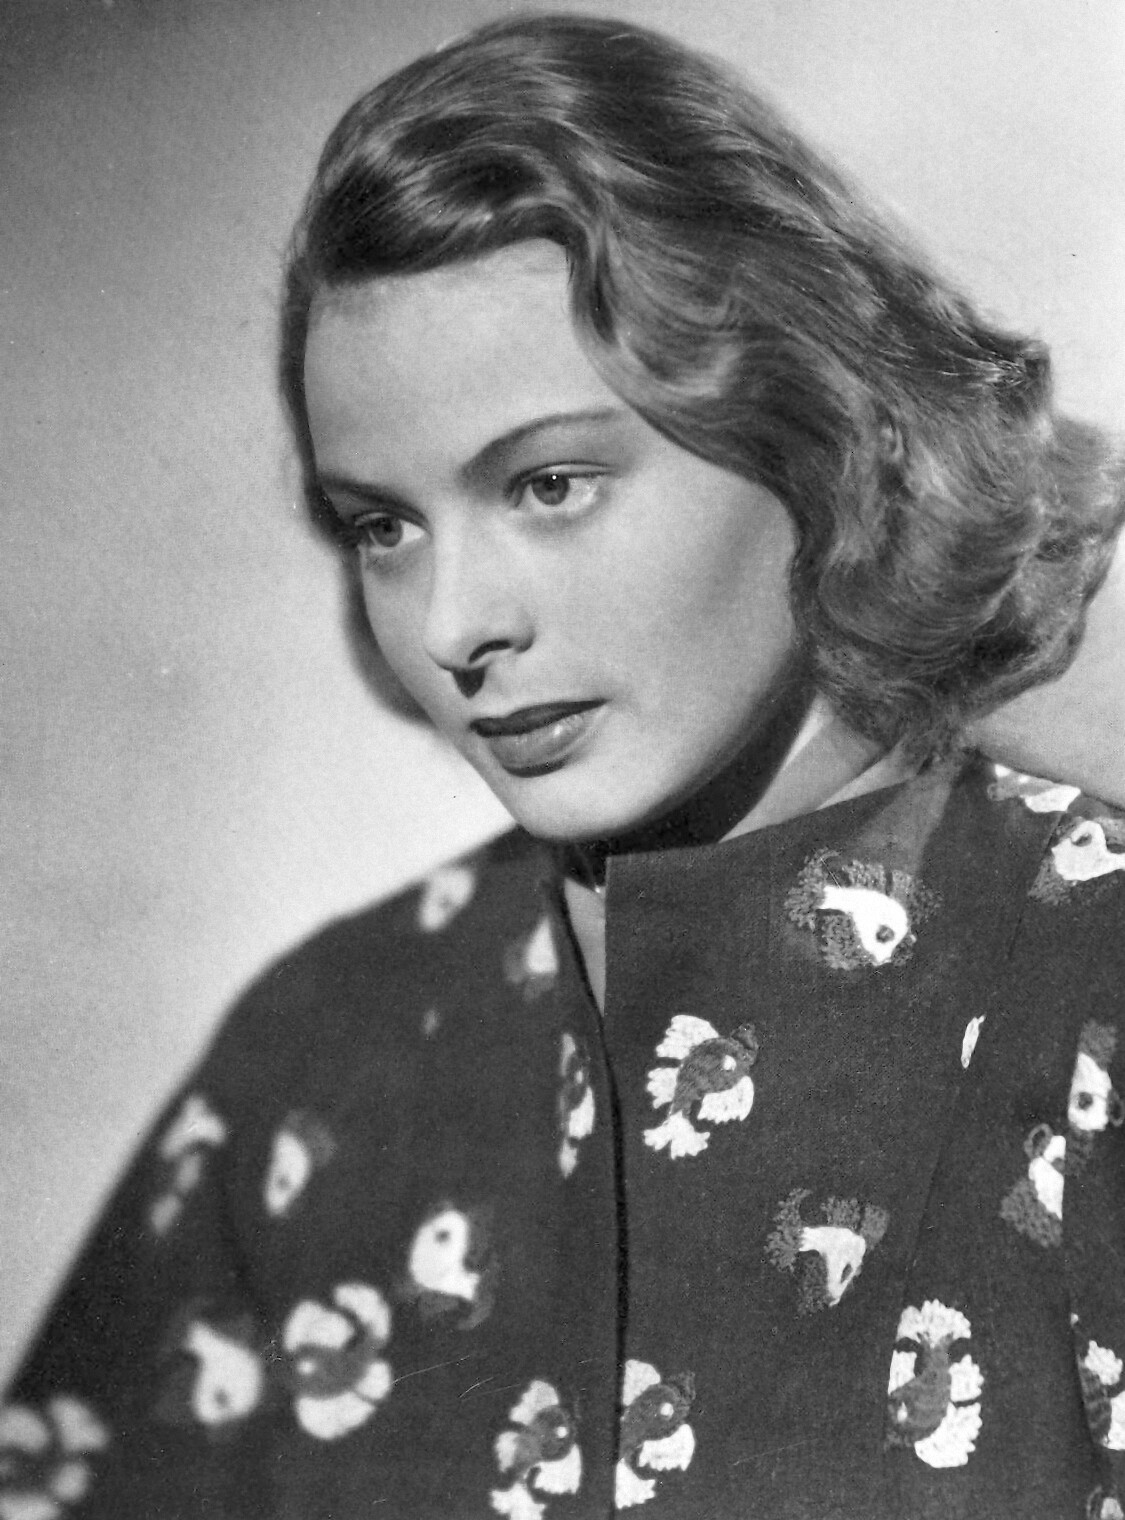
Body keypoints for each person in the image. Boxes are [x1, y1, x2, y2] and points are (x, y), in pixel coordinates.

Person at [3, 14, 1124, 1519]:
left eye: (549, 485)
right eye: (383, 526)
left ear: (816, 438)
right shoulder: (325, 1048)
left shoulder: (1090, 966)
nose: (452, 625)